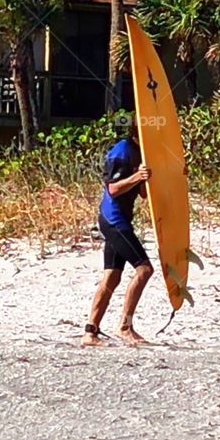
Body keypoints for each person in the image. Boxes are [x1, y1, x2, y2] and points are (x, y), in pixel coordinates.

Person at [82, 121, 153, 346]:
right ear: (138, 131)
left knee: (112, 276)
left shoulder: (141, 153)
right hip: (114, 220)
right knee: (144, 269)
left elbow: (142, 193)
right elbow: (112, 188)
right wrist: (137, 177)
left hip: (121, 219)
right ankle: (125, 326)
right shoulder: (121, 151)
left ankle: (90, 333)